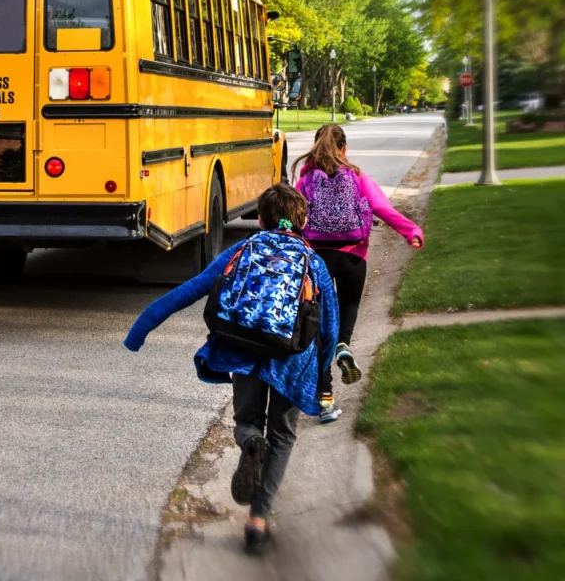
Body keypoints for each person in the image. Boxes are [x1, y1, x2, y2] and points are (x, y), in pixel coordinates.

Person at [123, 183, 339, 554]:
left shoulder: (241, 250)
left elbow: (189, 290)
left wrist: (140, 329)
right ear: (302, 219)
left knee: (247, 421)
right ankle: (257, 522)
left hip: (243, 350)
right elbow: (330, 329)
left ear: (261, 219)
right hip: (291, 361)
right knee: (284, 436)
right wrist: (324, 379)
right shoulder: (313, 263)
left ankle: (251, 442)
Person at [292, 125, 423, 419]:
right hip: (353, 256)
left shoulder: (305, 181)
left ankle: (325, 400)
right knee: (348, 306)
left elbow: (291, 218)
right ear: (344, 150)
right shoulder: (359, 177)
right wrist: (410, 230)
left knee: (319, 327)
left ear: (315, 148)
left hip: (318, 259)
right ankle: (344, 346)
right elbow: (381, 207)